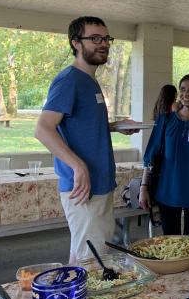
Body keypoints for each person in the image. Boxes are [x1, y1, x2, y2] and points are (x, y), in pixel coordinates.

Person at [35, 16, 139, 263]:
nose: (103, 44)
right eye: (94, 38)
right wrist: (78, 166)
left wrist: (115, 126)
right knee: (92, 261)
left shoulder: (89, 81)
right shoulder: (69, 80)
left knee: (83, 255)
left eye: (105, 38)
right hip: (84, 188)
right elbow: (43, 129)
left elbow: (82, 126)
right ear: (76, 43)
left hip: (100, 183)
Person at [139, 74, 189, 235]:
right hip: (168, 190)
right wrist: (143, 188)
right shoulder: (166, 120)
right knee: (171, 241)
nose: (186, 94)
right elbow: (150, 156)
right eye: (182, 90)